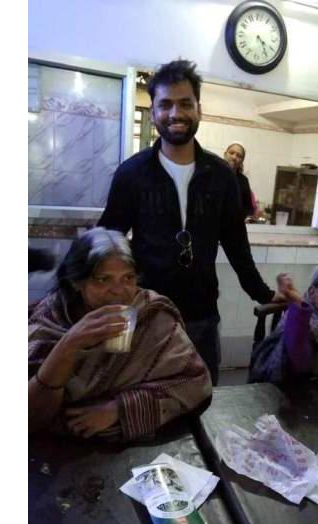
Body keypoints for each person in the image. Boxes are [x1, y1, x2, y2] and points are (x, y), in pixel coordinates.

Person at [98, 59, 285, 385]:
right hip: (144, 310)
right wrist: (85, 291)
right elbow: (107, 238)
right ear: (154, 112)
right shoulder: (132, 173)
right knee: (139, 395)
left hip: (201, 314)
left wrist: (264, 294)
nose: (176, 113)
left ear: (199, 109)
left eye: (185, 103)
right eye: (165, 104)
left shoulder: (221, 175)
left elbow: (236, 243)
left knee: (202, 395)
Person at [28, 227, 212, 440]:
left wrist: (120, 409)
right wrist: (68, 345)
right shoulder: (51, 318)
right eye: (103, 279)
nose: (118, 290)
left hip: (137, 446)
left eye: (128, 278)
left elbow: (195, 382)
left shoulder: (151, 315)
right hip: (55, 446)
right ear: (77, 282)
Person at [223, 142, 259, 219]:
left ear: (242, 161)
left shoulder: (243, 181)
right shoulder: (213, 175)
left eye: (238, 156)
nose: (234, 157)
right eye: (231, 153)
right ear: (225, 154)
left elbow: (249, 208)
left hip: (234, 224)